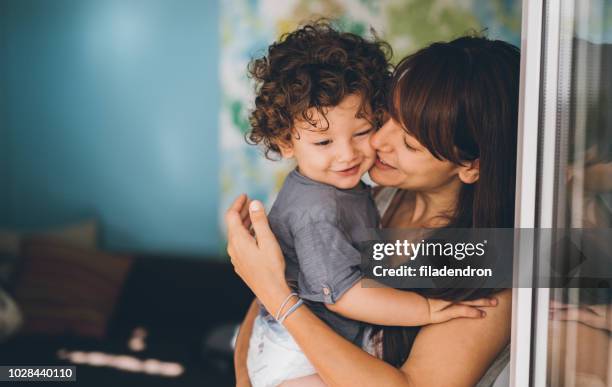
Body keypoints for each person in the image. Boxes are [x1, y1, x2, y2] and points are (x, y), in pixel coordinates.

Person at [228, 34, 519, 387]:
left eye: (409, 142)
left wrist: (276, 296)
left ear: (471, 166)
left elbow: (274, 293)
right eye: (385, 118)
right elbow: (265, 308)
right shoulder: (374, 196)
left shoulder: (491, 266)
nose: (378, 142)